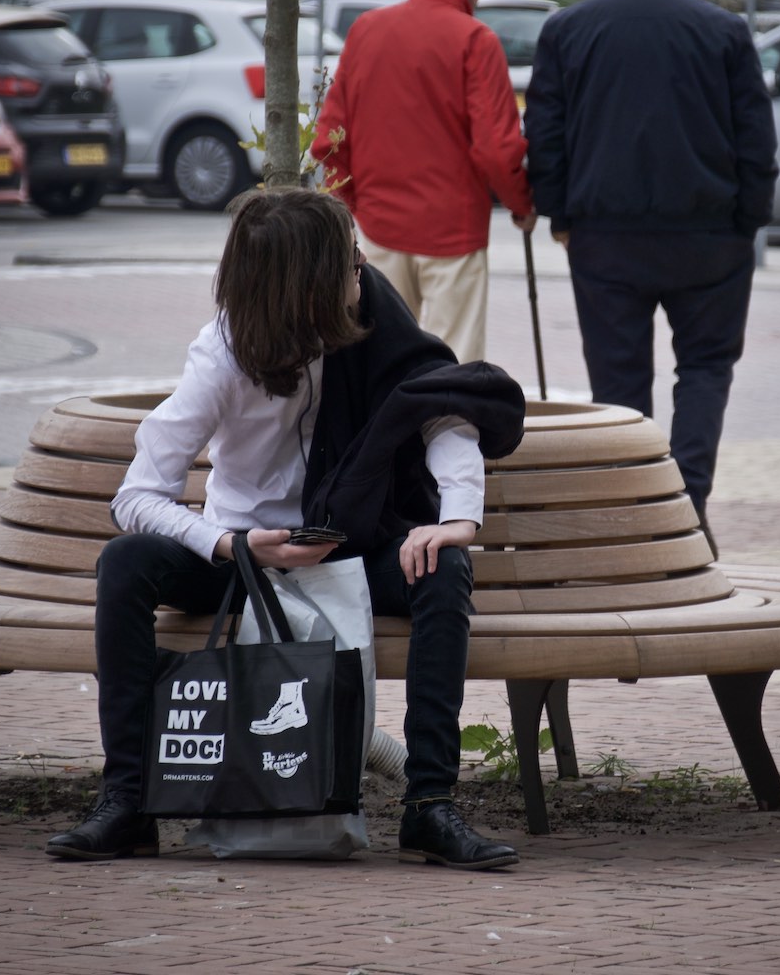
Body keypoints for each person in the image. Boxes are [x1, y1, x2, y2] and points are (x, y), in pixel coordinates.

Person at [46, 187, 527, 871]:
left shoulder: (369, 314)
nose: (362, 270)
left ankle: (429, 808)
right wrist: (229, 543)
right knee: (125, 563)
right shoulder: (222, 355)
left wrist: (455, 519)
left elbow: (438, 405)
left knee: (440, 566)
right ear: (301, 289)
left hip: (352, 544)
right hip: (242, 562)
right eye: (348, 263)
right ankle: (128, 801)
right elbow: (137, 496)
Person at [523, 0, 779, 555]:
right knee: (707, 369)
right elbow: (756, 139)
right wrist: (749, 221)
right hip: (710, 235)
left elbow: (546, 133)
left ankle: (633, 510)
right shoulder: (724, 30)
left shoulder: (567, 29)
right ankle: (687, 505)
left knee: (618, 385)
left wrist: (559, 214)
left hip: (605, 237)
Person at [311, 0, 537, 365]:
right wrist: (521, 205)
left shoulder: (366, 30)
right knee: (456, 363)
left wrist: (354, 205)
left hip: (380, 225)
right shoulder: (475, 40)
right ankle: (450, 426)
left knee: (381, 361)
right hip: (454, 230)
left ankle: (388, 427)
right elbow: (497, 150)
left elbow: (330, 140)